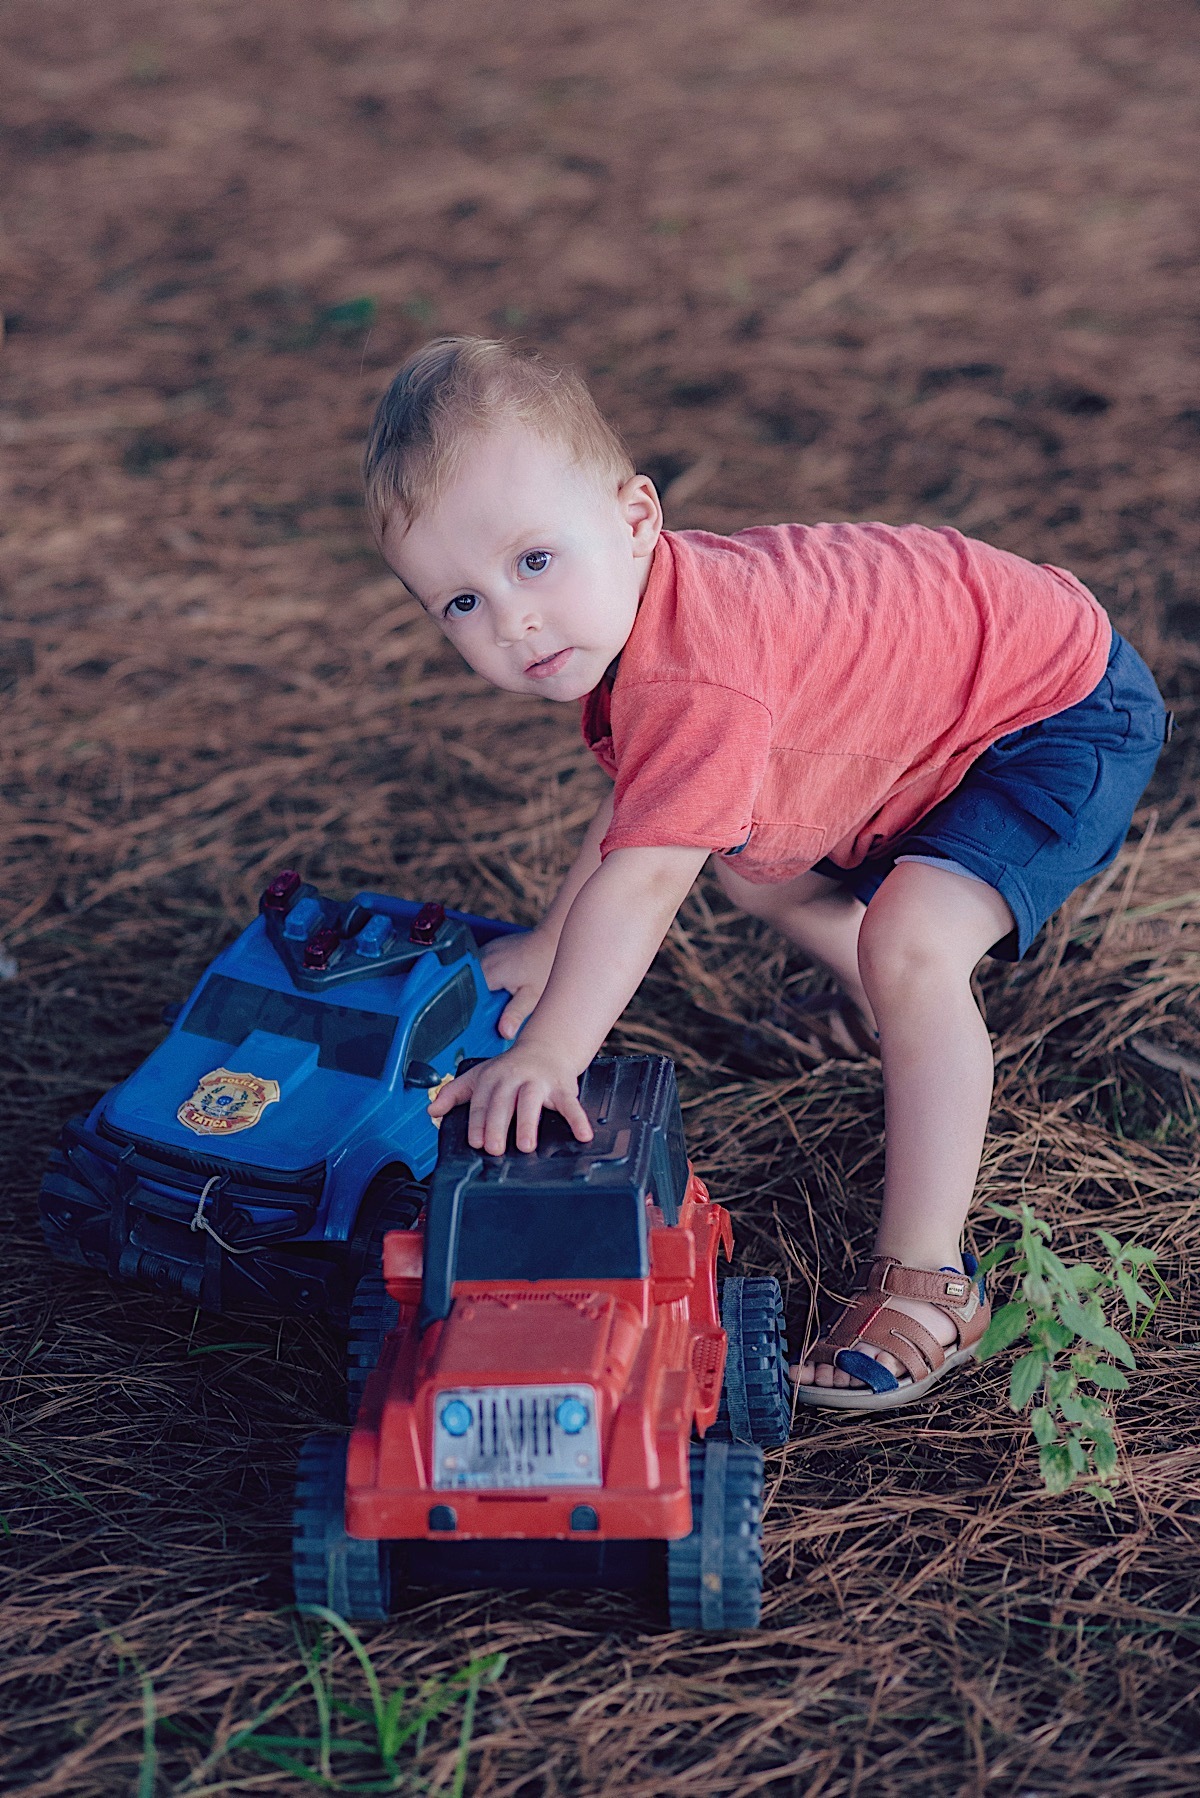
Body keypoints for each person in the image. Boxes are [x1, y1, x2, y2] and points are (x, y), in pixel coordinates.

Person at [363, 335, 1167, 1412]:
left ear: (637, 516)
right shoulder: (650, 619)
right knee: (754, 871)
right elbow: (646, 804)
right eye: (459, 604)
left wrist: (555, 1046)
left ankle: (934, 1279)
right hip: (950, 705)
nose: (512, 620)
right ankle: (903, 1023)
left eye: (532, 562)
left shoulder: (700, 662)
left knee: (912, 942)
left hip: (1052, 713)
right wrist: (555, 943)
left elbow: (647, 877)